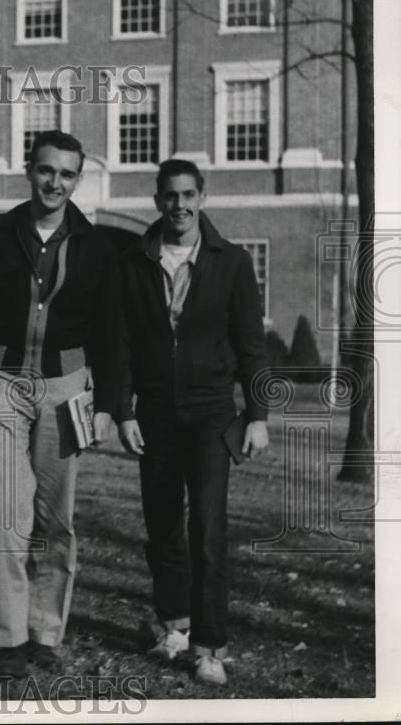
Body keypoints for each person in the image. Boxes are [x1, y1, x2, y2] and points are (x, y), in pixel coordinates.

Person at [0, 130, 123, 677]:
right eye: (47, 170)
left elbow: (112, 333)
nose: (55, 183)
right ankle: (9, 640)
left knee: (56, 519)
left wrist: (109, 403)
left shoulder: (95, 245)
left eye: (67, 174)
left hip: (66, 388)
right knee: (8, 514)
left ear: (77, 179)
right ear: (30, 169)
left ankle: (45, 631)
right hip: (1, 382)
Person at [116, 158, 269, 687]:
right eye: (169, 196)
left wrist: (257, 414)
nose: (179, 205)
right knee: (162, 526)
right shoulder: (134, 260)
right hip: (155, 412)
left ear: (203, 197)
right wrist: (123, 409)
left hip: (210, 413)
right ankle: (173, 626)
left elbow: (252, 343)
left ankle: (209, 646)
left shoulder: (232, 261)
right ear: (157, 200)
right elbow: (120, 344)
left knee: (207, 527)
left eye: (188, 195)